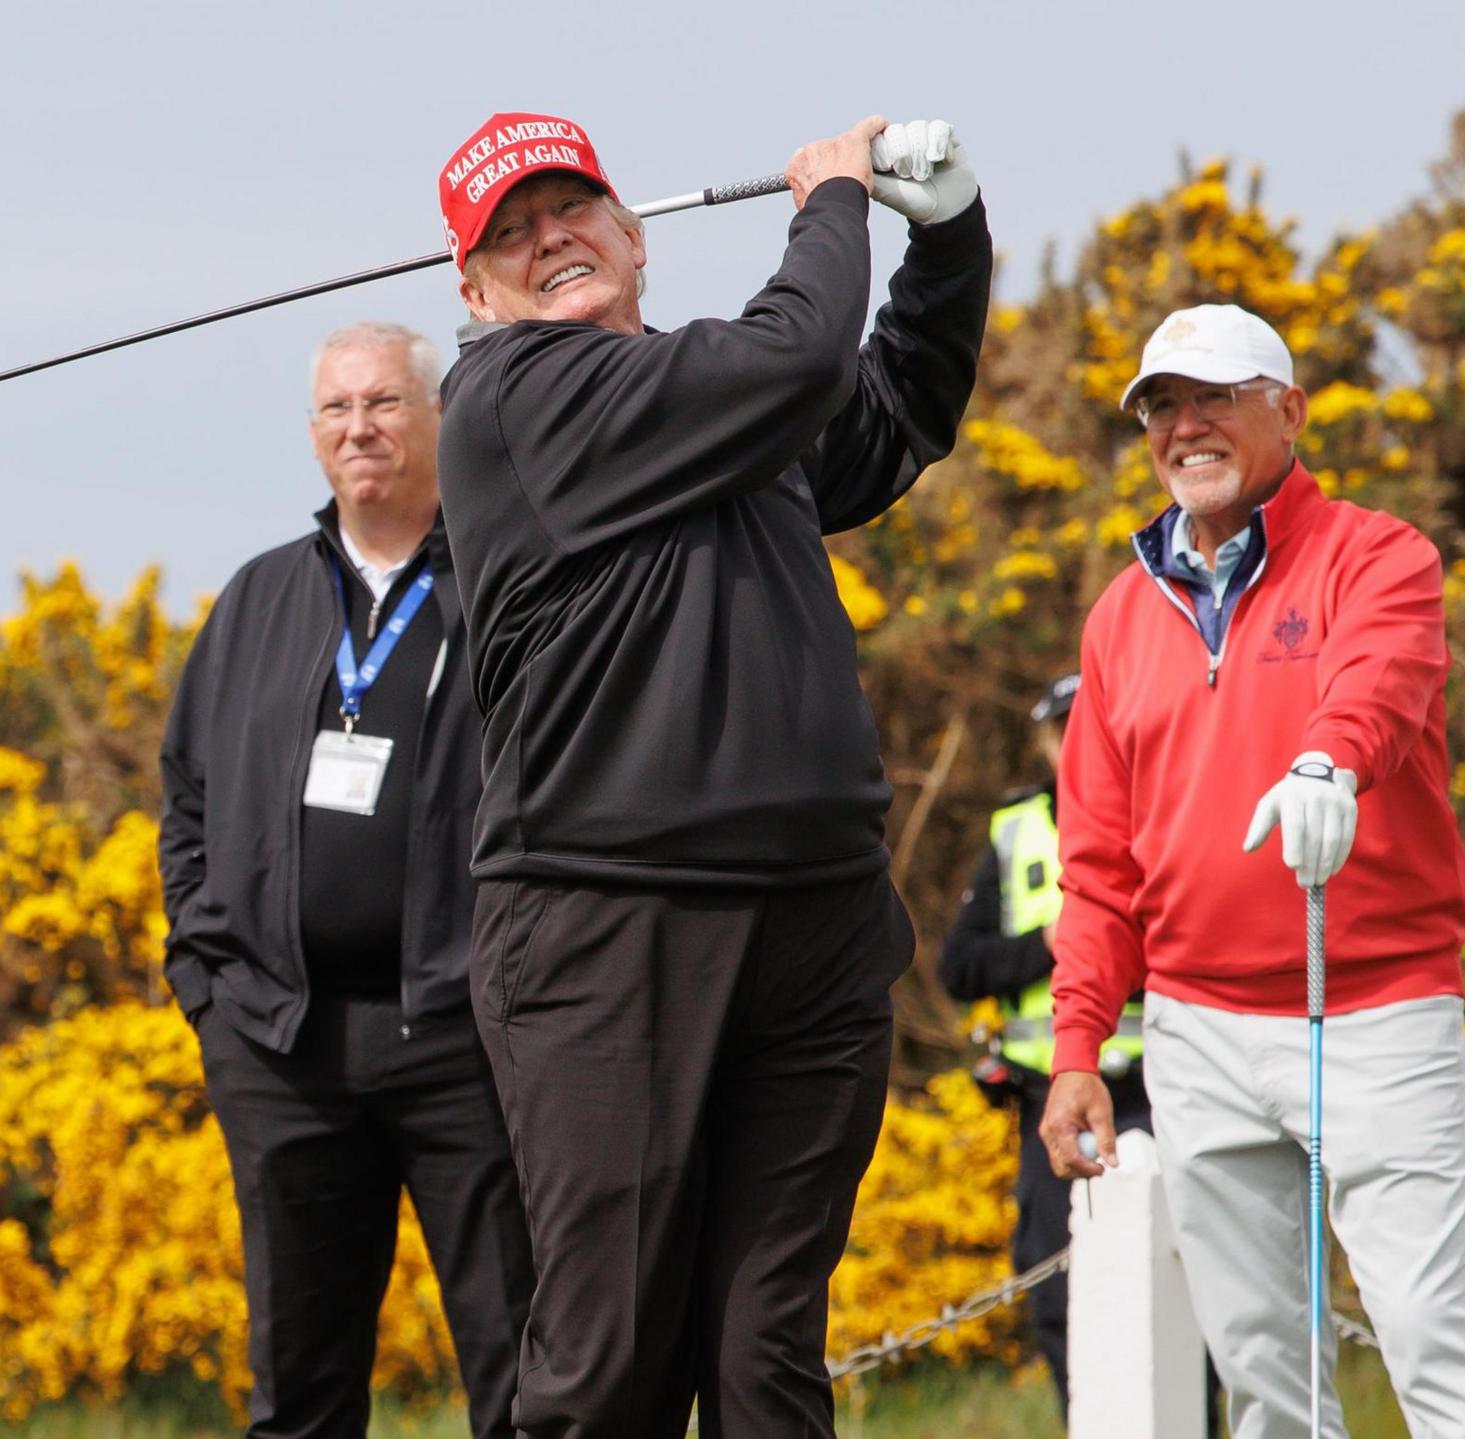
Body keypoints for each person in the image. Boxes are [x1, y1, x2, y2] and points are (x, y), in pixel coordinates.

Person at [431, 113, 990, 1437]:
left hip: (811, 922)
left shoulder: (728, 404)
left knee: (764, 1358)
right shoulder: (512, 399)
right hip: (609, 927)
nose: (547, 240)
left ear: (631, 236)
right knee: (609, 1362)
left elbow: (900, 399)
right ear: (476, 294)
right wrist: (832, 201)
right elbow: (798, 350)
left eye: (570, 211)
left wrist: (949, 236)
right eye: (510, 235)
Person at [1041, 303, 1465, 1437]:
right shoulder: (1121, 616)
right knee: (1266, 1375)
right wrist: (1077, 1047)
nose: (1185, 426)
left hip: (1375, 1009)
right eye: (1162, 405)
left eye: (1214, 398)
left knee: (1425, 1332)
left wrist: (1327, 763)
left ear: (1289, 412)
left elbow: (1382, 681)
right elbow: (1098, 858)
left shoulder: (1377, 553)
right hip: (1196, 1029)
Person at [157, 322, 533, 1439]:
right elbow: (185, 794)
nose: (359, 426)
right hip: (283, 1045)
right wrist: (207, 981)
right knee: (300, 1385)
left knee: (521, 1373)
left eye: (383, 402)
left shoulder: (502, 586)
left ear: (434, 417)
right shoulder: (259, 597)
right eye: (335, 408)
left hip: (464, 1041)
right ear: (313, 434)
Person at [938, 672, 1150, 1420]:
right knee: (1053, 1288)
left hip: (1157, 1090)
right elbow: (958, 966)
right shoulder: (1016, 828)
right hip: (1050, 1098)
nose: (1076, 741)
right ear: (1046, 739)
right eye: (1063, 728)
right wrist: (1051, 945)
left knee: (1184, 1284)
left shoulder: (1155, 802)